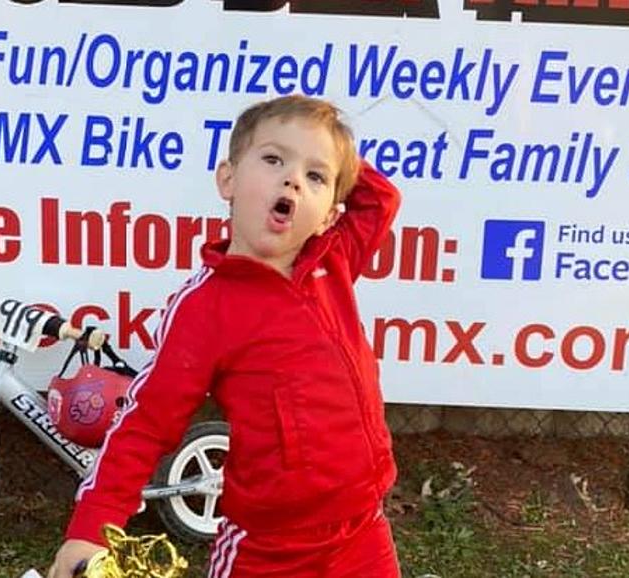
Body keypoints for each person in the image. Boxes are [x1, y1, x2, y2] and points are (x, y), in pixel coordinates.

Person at [47, 94, 402, 578]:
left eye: (314, 176)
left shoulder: (334, 261)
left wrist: (337, 154)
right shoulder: (204, 309)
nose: (293, 178)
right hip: (269, 550)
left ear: (327, 215)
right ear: (228, 180)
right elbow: (146, 424)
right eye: (274, 159)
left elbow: (381, 199)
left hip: (363, 529)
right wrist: (89, 528)